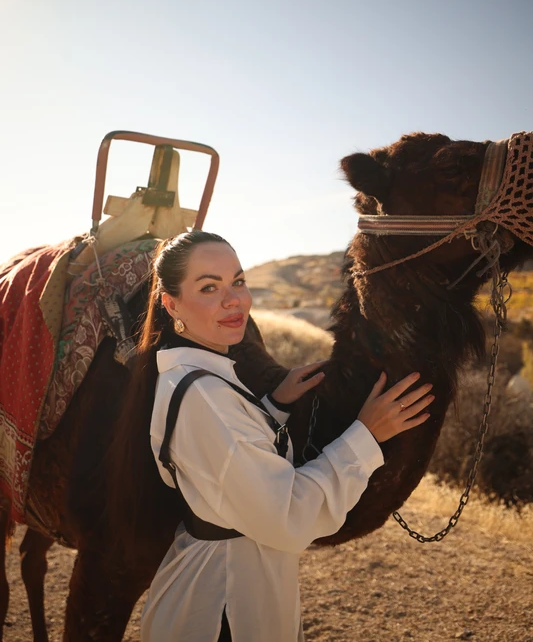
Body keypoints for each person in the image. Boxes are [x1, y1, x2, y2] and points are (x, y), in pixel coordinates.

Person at [138, 230, 434, 642]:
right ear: (171, 304)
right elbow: (288, 517)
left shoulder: (194, 376)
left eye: (238, 281)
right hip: (226, 605)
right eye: (209, 287)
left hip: (222, 578)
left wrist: (274, 404)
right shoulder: (206, 396)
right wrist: (366, 435)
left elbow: (227, 460)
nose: (234, 300)